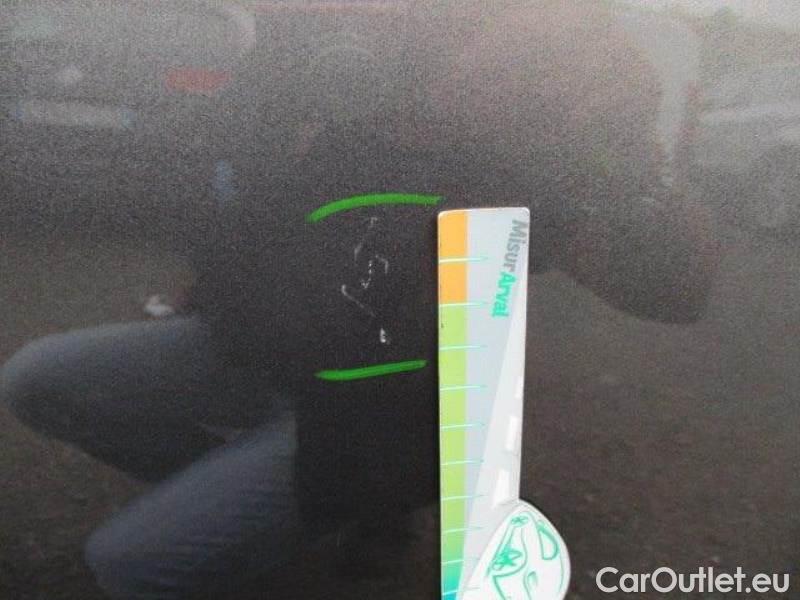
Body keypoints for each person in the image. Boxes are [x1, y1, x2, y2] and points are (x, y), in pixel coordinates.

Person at [0, 2, 719, 598]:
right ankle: (271, 504)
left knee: (128, 563)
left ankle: (336, 499)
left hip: (374, 409)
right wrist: (215, 281)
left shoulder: (531, 140)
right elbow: (238, 187)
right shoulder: (349, 68)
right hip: (259, 350)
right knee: (38, 379)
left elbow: (674, 290)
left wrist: (625, 154)